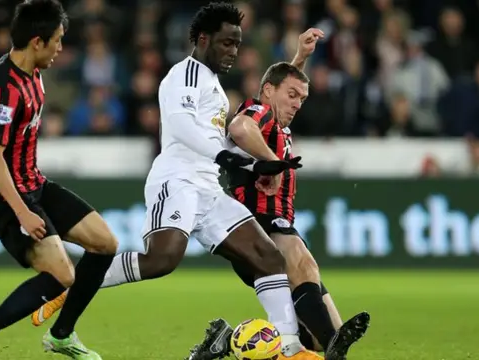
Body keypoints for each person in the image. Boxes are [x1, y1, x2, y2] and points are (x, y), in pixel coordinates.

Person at [33, 3, 324, 359]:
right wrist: (227, 158)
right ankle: (76, 283)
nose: (233, 52)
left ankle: (289, 348)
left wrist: (254, 166)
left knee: (268, 256)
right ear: (203, 39)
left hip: (208, 188)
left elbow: (221, 141)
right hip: (177, 180)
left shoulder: (215, 88)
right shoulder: (185, 74)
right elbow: (183, 126)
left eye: (237, 44)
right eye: (226, 43)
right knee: (162, 260)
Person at [184, 33, 370, 360]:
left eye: (303, 98)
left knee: (309, 336)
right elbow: (240, 127)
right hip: (259, 222)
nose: (298, 104)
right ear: (269, 92)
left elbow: (280, 82)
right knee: (302, 261)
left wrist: (299, 58)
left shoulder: (275, 118)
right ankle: (332, 347)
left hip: (269, 227)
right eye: (293, 96)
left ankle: (224, 341)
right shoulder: (259, 112)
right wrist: (274, 163)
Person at [0, 1, 117, 359]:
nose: (60, 48)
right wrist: (23, 214)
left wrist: (34, 199)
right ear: (37, 41)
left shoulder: (34, 76)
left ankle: (61, 335)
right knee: (63, 274)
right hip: (0, 197)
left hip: (34, 184)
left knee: (105, 243)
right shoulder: (2, 88)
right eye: (57, 40)